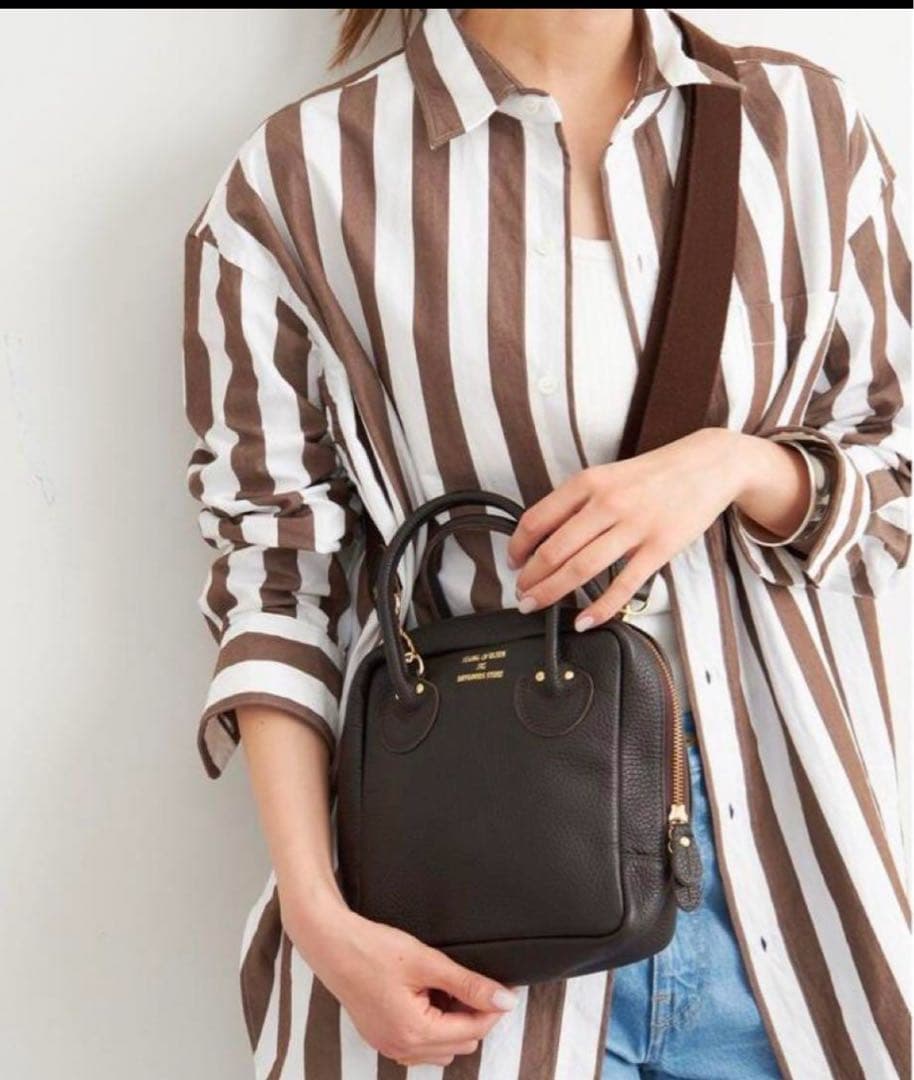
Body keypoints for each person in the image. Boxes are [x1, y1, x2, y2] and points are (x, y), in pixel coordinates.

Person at [180, 9, 911, 1078]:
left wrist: (732, 466)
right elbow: (277, 577)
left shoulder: (801, 127)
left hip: (784, 874)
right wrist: (319, 917)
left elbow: (891, 482)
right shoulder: (301, 180)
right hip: (465, 915)